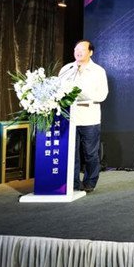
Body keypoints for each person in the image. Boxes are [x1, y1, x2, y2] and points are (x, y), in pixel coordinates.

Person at [59, 39, 109, 193]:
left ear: (90, 52)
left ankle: (89, 183)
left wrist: (80, 94)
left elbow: (102, 94)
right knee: (71, 153)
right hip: (69, 118)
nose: (78, 52)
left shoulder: (98, 71)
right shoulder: (66, 69)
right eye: (76, 49)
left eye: (82, 49)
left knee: (90, 153)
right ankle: (73, 183)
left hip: (89, 118)